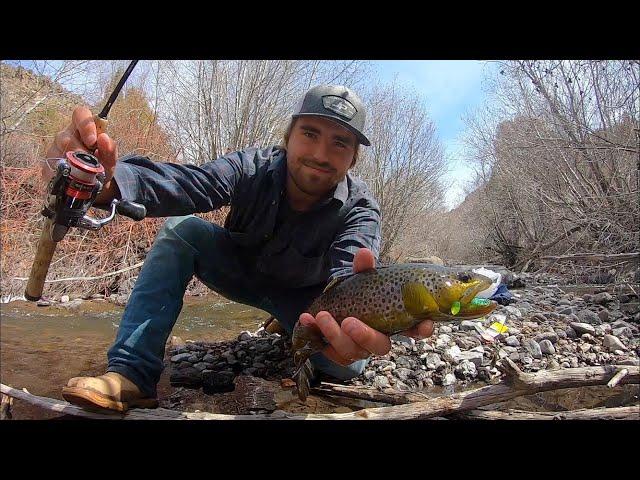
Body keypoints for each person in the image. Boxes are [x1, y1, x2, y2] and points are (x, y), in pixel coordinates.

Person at [46, 84, 435, 412]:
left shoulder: (361, 209)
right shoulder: (254, 166)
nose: (320, 154)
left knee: (348, 366)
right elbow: (190, 184)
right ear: (288, 137)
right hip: (237, 270)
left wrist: (368, 319)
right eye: (310, 134)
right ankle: (131, 372)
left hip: (306, 304)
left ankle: (286, 326)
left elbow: (350, 276)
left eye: (340, 143)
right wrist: (108, 183)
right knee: (181, 230)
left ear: (353, 157)